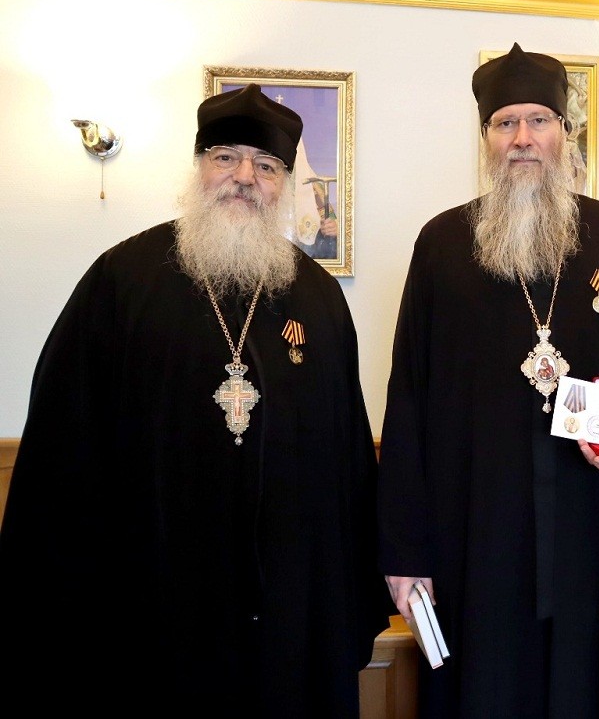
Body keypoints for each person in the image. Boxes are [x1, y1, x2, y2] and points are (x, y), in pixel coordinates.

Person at [0, 84, 388, 716]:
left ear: (284, 184)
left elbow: (346, 461)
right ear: (199, 167)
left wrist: (341, 604)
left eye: (266, 166)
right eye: (226, 157)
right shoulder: (122, 281)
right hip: (152, 608)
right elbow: (62, 449)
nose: (245, 177)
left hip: (285, 614)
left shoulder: (317, 298)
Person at [377, 42, 599, 718]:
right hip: (474, 540)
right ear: (487, 139)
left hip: (591, 535)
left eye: (539, 120)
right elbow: (407, 403)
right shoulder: (441, 245)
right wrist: (405, 552)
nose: (522, 137)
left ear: (564, 134)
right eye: (505, 123)